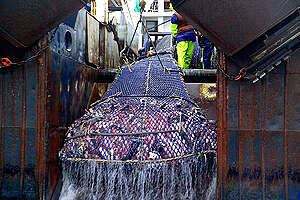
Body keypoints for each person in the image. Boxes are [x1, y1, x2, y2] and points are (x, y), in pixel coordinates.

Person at [170, 4, 196, 69]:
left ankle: (181, 71)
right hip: (191, 36)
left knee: (181, 55)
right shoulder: (190, 13)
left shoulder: (175, 16)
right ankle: (186, 70)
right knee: (188, 55)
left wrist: (175, 36)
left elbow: (174, 29)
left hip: (182, 38)